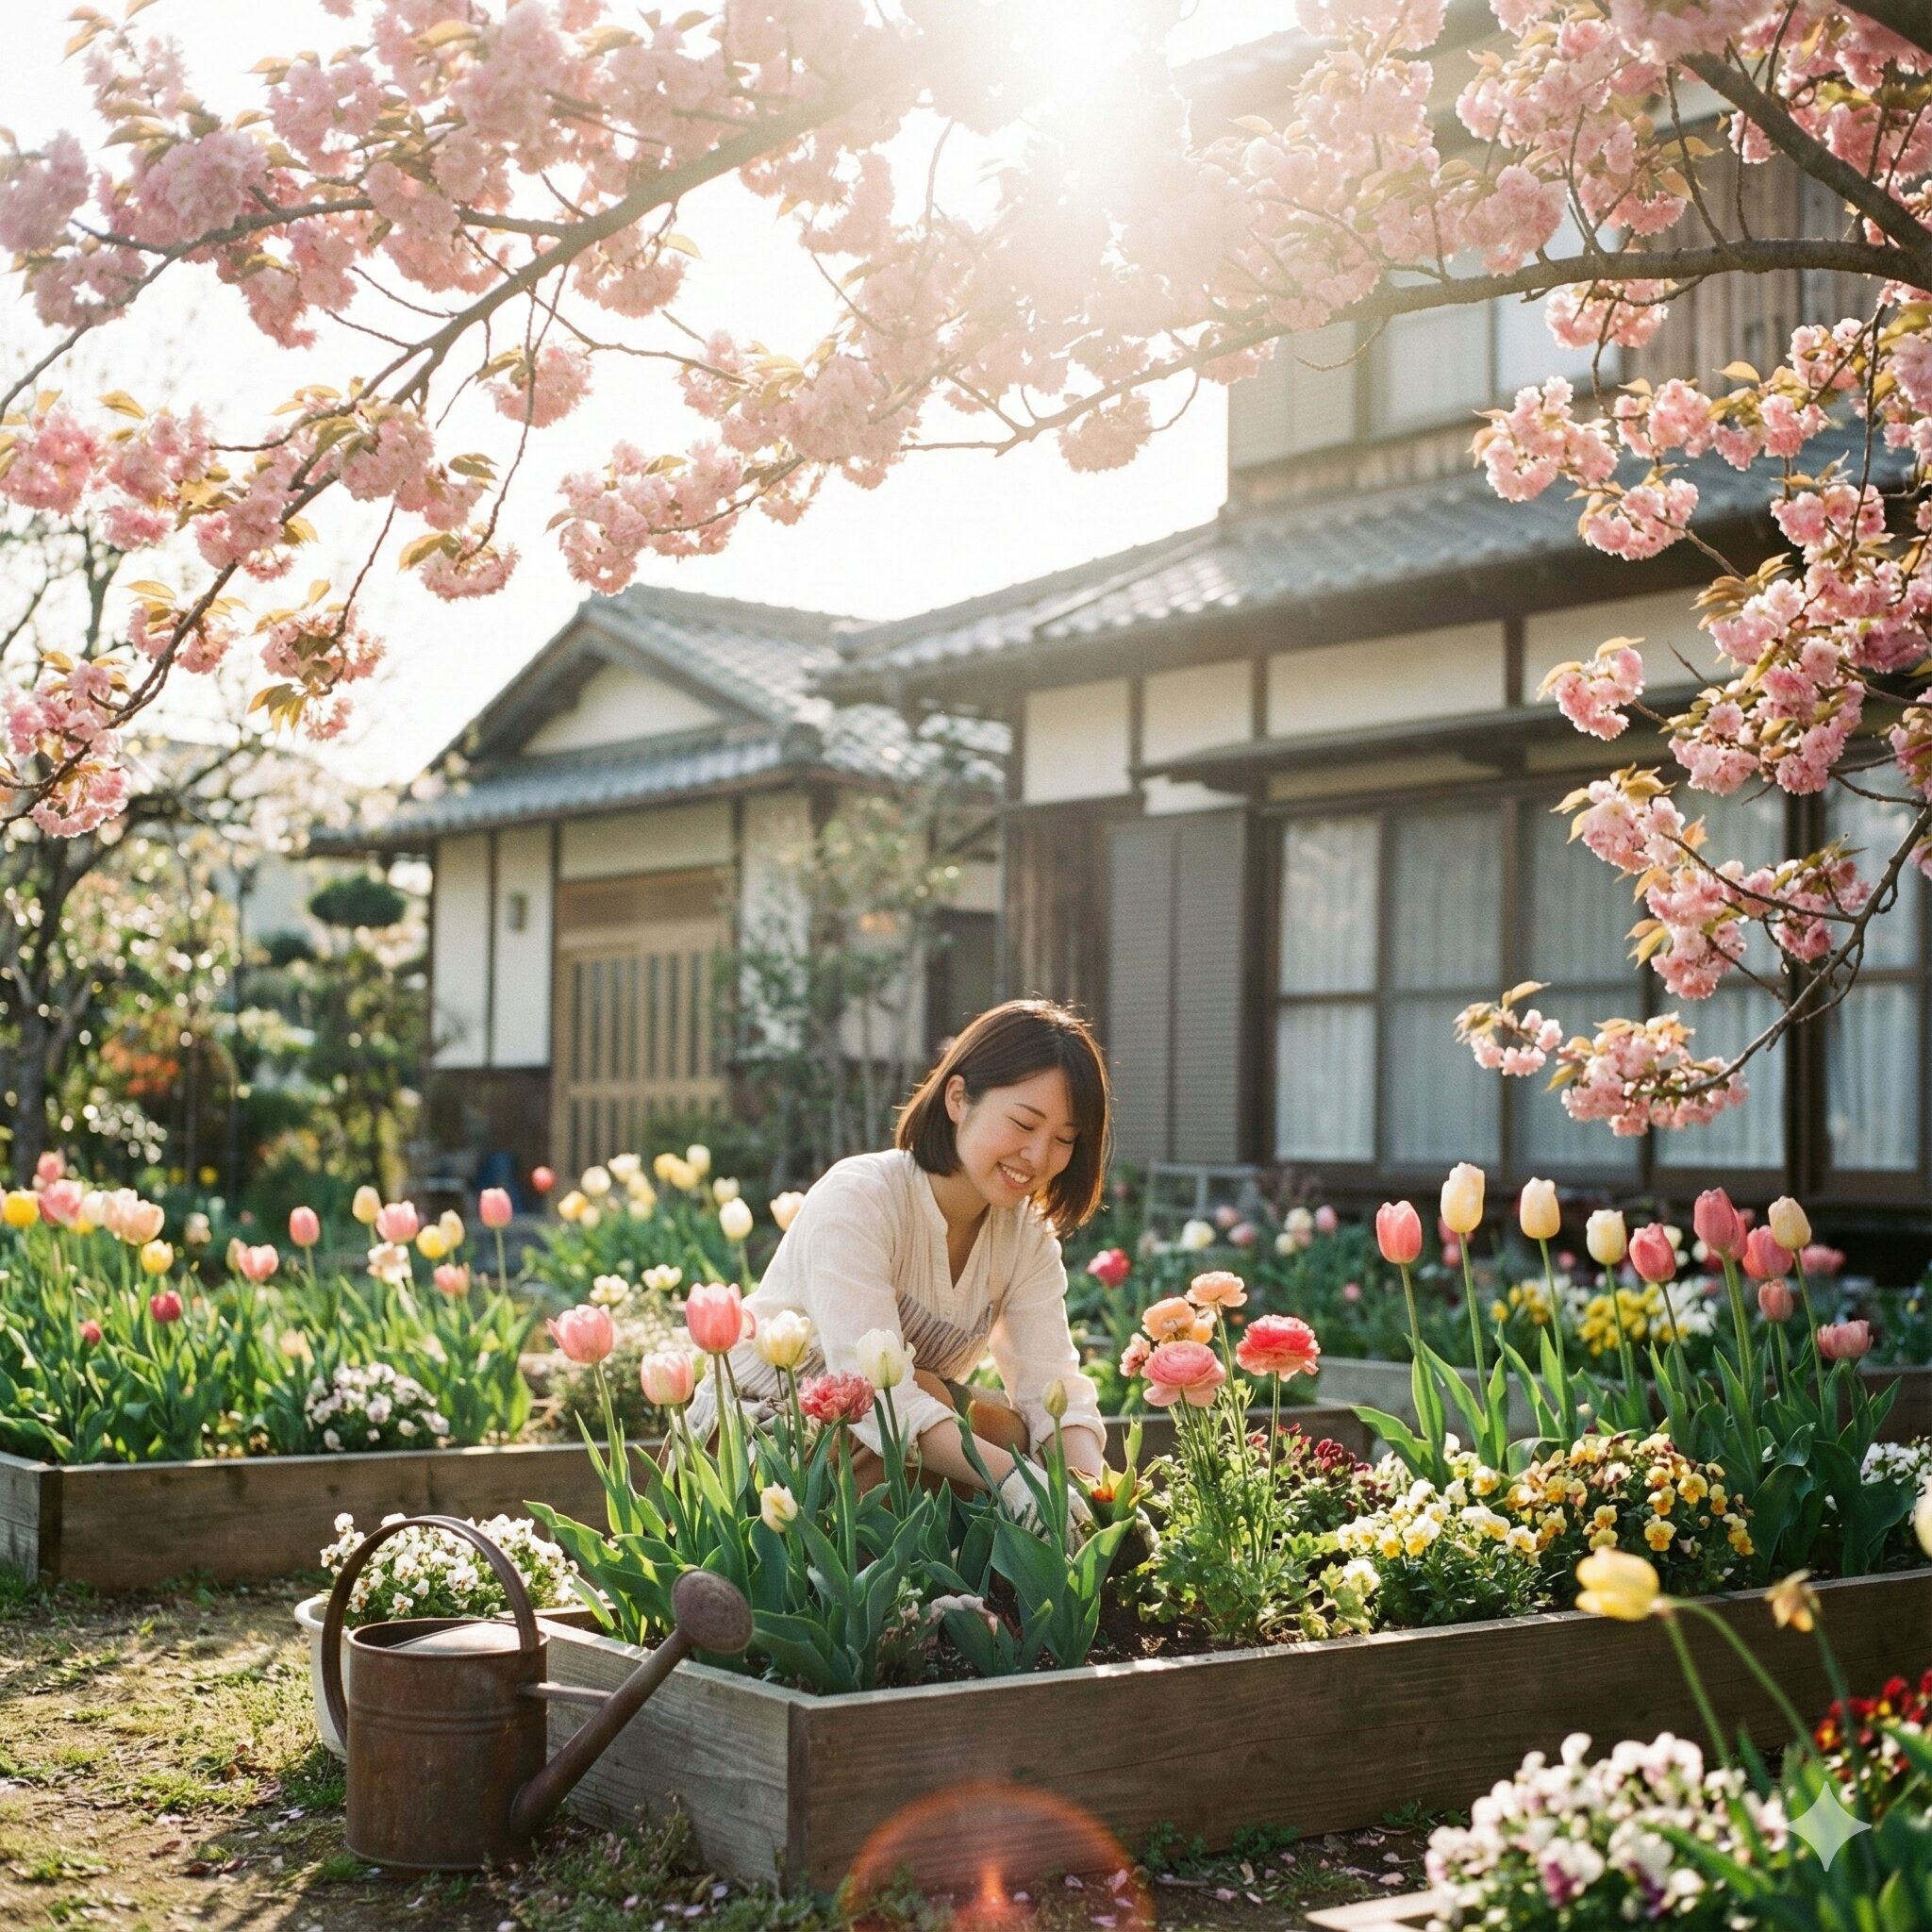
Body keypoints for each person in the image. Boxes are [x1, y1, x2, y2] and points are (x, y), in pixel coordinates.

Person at [686, 998, 1110, 1530]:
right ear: (959, 1097)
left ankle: (974, 1594)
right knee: (950, 1425)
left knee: (1014, 1428)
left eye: (1064, 1140)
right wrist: (1013, 1479)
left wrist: (1094, 1496)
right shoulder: (860, 1198)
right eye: (1025, 1124)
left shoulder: (1025, 1236)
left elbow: (1052, 1386)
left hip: (893, 1443)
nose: (1038, 1156)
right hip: (767, 1437)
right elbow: (873, 1392)